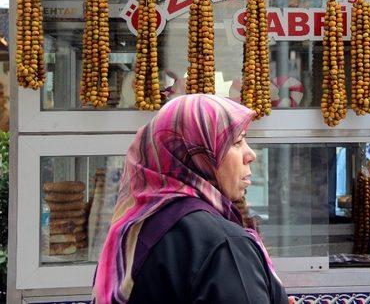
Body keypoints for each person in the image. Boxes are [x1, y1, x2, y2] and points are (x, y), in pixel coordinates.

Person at [92, 94, 288, 304]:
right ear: (198, 154)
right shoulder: (222, 243)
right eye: (237, 141)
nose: (251, 155)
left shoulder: (131, 230)